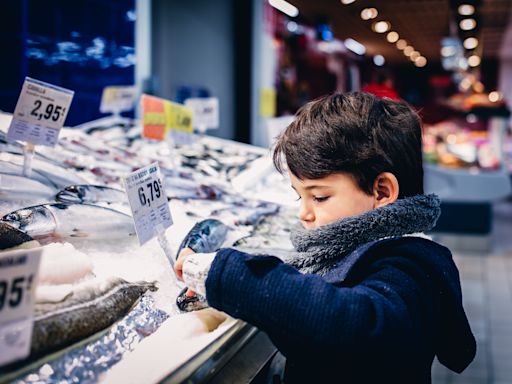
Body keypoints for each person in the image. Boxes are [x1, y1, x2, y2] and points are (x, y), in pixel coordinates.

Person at [175, 92, 476, 383]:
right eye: (299, 197)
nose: (303, 214)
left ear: (381, 192)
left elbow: (351, 324)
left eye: (319, 197)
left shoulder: (411, 269)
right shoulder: (348, 246)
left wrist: (228, 275)